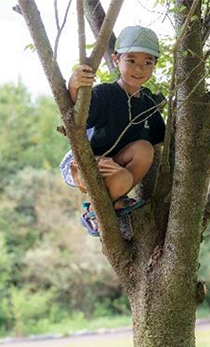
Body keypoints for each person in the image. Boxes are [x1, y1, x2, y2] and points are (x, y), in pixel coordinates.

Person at [59, 25, 166, 237]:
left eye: (148, 62)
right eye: (132, 60)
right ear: (116, 60)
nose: (139, 69)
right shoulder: (105, 93)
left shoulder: (148, 105)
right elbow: (76, 118)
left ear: (154, 65)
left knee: (143, 151)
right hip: (85, 161)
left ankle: (112, 203)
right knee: (120, 175)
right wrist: (73, 86)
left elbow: (162, 141)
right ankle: (95, 212)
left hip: (117, 168)